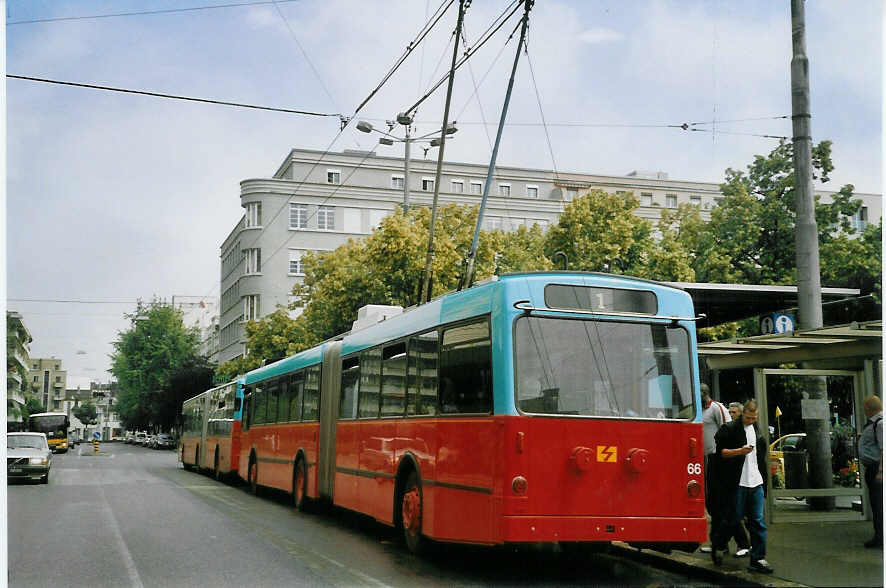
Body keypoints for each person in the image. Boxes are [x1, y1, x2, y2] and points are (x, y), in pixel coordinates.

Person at [710, 399, 773, 574]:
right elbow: (721, 453)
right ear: (742, 413)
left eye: (754, 418)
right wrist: (740, 451)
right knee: (733, 519)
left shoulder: (757, 430)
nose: (751, 421)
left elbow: (761, 457)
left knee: (757, 521)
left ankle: (758, 558)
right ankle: (719, 544)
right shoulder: (729, 429)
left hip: (756, 481)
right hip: (737, 482)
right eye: (748, 417)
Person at [700, 384, 730, 553]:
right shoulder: (699, 411)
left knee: (715, 500)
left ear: (705, 394)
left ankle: (721, 541)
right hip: (702, 457)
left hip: (715, 457)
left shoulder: (716, 408)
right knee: (709, 500)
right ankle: (717, 541)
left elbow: (727, 429)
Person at [859, 395, 883, 549]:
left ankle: (880, 537)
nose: (864, 410)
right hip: (873, 468)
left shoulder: (880, 424)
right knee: (876, 504)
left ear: (869, 408)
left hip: (877, 469)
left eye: (865, 407)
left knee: (879, 504)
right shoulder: (874, 424)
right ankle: (879, 535)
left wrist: (881, 471)